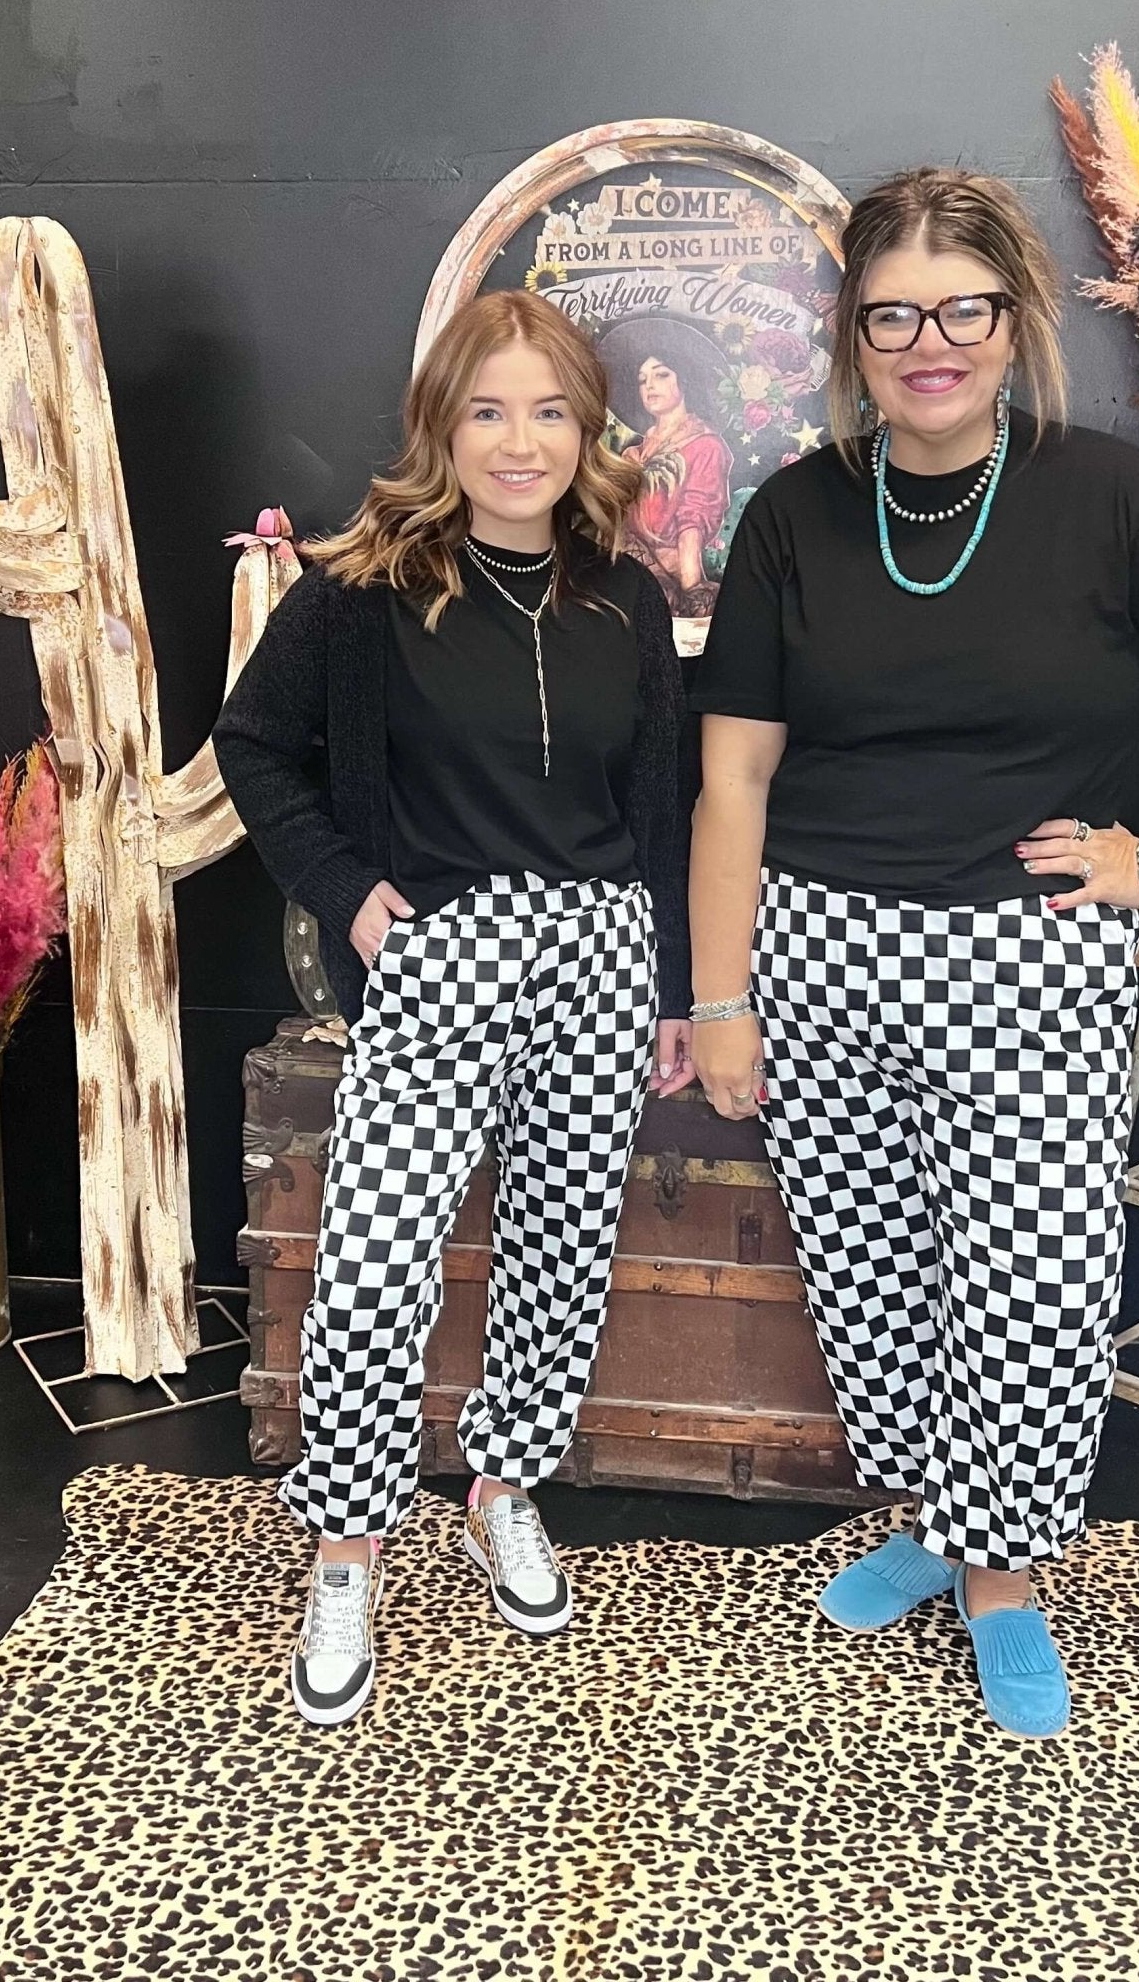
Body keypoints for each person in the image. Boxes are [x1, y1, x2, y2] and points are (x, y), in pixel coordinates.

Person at [685, 167, 1139, 1738]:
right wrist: (720, 997)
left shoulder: (1105, 497)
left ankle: (1005, 1577)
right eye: (893, 315)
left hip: (1028, 957)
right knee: (867, 1274)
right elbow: (734, 779)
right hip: (819, 948)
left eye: (962, 310)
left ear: (1014, 317)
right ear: (852, 334)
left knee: (1032, 1287)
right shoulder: (793, 512)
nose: (930, 344)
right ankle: (938, 1521)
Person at [214, 289, 695, 1727]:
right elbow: (254, 742)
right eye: (488, 409)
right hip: (444, 948)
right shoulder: (362, 587)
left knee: (560, 1252)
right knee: (375, 1259)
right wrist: (349, 891)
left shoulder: (624, 596)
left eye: (548, 410)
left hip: (601, 952)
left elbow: (659, 808)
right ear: (441, 424)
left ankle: (501, 1490)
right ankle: (347, 1554)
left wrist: (672, 986)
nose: (519, 441)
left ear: (588, 429)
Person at [600, 319, 735, 633]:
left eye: (661, 374)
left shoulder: (705, 446)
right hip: (630, 565)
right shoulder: (633, 455)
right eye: (642, 379)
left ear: (683, 380)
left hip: (679, 571)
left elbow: (693, 520)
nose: (649, 385)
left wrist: (691, 588)